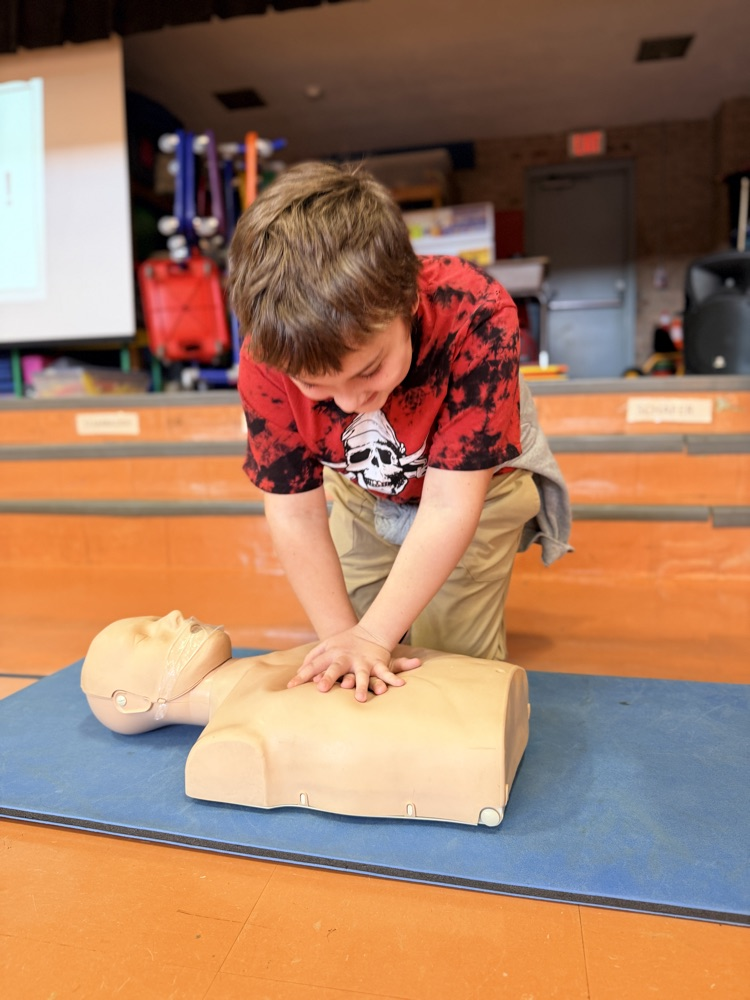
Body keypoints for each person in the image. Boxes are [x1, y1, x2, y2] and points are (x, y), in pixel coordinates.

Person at [228, 162, 571, 703]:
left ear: (408, 302)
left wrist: (372, 636)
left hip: (477, 491)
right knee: (351, 664)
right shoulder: (268, 355)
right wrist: (349, 636)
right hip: (362, 491)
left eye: (368, 371)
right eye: (317, 385)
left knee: (453, 665)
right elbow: (294, 510)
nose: (348, 402)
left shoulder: (475, 315)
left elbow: (451, 506)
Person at [80, 611, 530, 826]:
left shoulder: (294, 656)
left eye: (153, 618)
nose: (173, 617)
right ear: (129, 701)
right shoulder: (231, 742)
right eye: (146, 635)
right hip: (478, 741)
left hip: (487, 703)